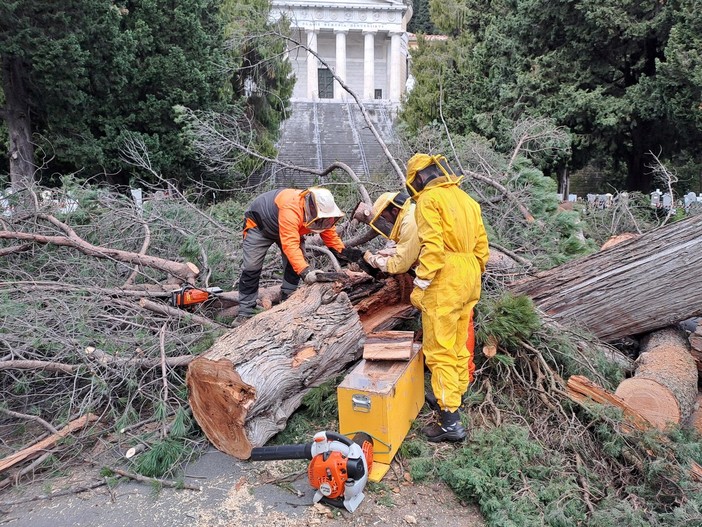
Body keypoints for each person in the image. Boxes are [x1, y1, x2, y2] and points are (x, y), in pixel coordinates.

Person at [362, 190, 478, 404]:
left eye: (386, 218)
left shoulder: (412, 220)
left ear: (394, 210)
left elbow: (401, 264)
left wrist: (372, 259)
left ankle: (449, 409)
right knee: (458, 336)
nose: (386, 223)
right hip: (465, 276)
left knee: (442, 347)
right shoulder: (430, 209)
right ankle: (459, 388)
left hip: (446, 282)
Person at [405, 153, 489, 442]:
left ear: (416, 179)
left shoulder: (429, 200)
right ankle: (455, 395)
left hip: (446, 277)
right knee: (457, 345)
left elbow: (433, 247)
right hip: (469, 275)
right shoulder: (467, 200)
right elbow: (482, 247)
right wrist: (474, 272)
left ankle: (449, 421)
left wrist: (421, 283)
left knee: (439, 349)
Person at [237, 187, 362, 318]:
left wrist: (349, 256)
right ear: (311, 208)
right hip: (260, 225)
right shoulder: (291, 208)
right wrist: (306, 272)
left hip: (288, 229)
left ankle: (287, 299)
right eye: (321, 219)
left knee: (295, 262)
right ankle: (245, 312)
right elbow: (290, 244)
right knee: (252, 267)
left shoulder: (322, 214)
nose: (322, 222)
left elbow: (331, 237)